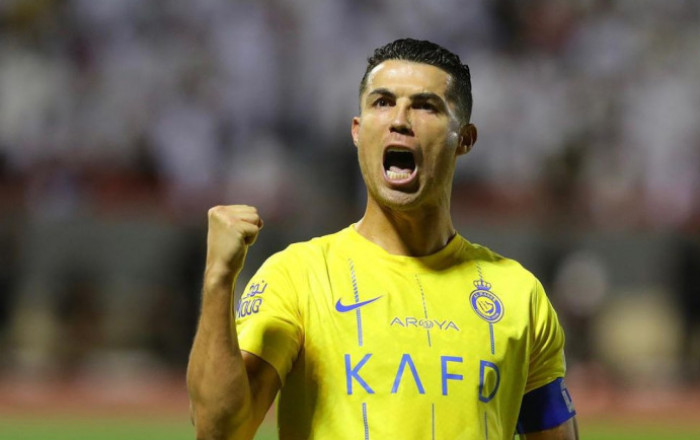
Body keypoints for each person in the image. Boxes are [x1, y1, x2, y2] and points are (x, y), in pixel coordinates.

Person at [186, 38, 579, 440]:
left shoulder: (519, 295)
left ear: (464, 139)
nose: (400, 120)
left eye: (425, 106)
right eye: (383, 102)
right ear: (358, 131)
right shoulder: (298, 276)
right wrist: (218, 279)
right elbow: (218, 431)